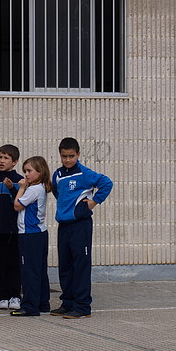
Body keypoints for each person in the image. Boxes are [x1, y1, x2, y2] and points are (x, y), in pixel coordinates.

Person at [51, 137, 113, 319]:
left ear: (78, 154)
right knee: (65, 266)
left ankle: (82, 306)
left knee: (81, 265)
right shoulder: (58, 175)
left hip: (80, 226)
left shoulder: (85, 174)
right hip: (64, 225)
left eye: (71, 156)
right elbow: (56, 190)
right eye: (64, 156)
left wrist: (93, 202)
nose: (68, 160)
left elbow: (106, 183)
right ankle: (68, 302)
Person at [10, 156, 52, 317]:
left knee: (29, 270)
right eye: (25, 171)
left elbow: (17, 205)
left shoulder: (33, 189)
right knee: (40, 270)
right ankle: (43, 303)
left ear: (40, 172)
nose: (26, 175)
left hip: (30, 234)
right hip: (40, 233)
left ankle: (29, 305)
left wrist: (21, 187)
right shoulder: (41, 187)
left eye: (29, 171)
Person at [0, 144, 24, 310]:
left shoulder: (20, 181)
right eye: (0, 157)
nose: (2, 161)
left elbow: (20, 204)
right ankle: (2, 296)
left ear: (15, 162)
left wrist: (12, 189)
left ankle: (15, 295)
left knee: (13, 263)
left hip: (14, 231)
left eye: (6, 158)